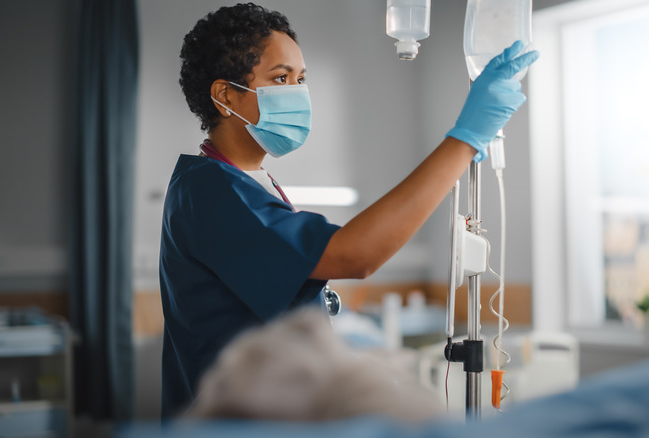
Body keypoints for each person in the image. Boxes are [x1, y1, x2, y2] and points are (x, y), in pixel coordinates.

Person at [159, 2, 539, 418]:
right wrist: (464, 139)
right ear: (225, 95)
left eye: (301, 78)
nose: (298, 91)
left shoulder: (246, 182)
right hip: (238, 420)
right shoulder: (211, 191)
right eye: (281, 78)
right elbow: (354, 254)